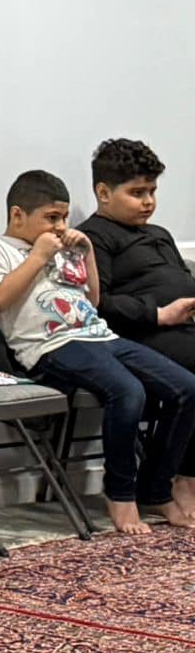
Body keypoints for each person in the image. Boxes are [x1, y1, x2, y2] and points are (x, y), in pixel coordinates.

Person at [0, 169, 195, 536]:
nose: (61, 226)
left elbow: (91, 301)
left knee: (186, 388)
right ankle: (120, 493)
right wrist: (38, 256)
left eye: (64, 217)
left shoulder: (62, 248)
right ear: (17, 215)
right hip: (50, 345)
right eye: (51, 217)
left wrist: (87, 254)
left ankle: (156, 488)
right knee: (128, 391)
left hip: (98, 335)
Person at [79, 137, 195, 515]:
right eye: (137, 193)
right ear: (103, 193)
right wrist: (158, 314)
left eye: (152, 191)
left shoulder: (159, 234)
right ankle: (170, 481)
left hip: (182, 328)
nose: (148, 201)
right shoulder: (93, 237)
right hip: (138, 335)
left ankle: (183, 475)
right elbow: (96, 303)